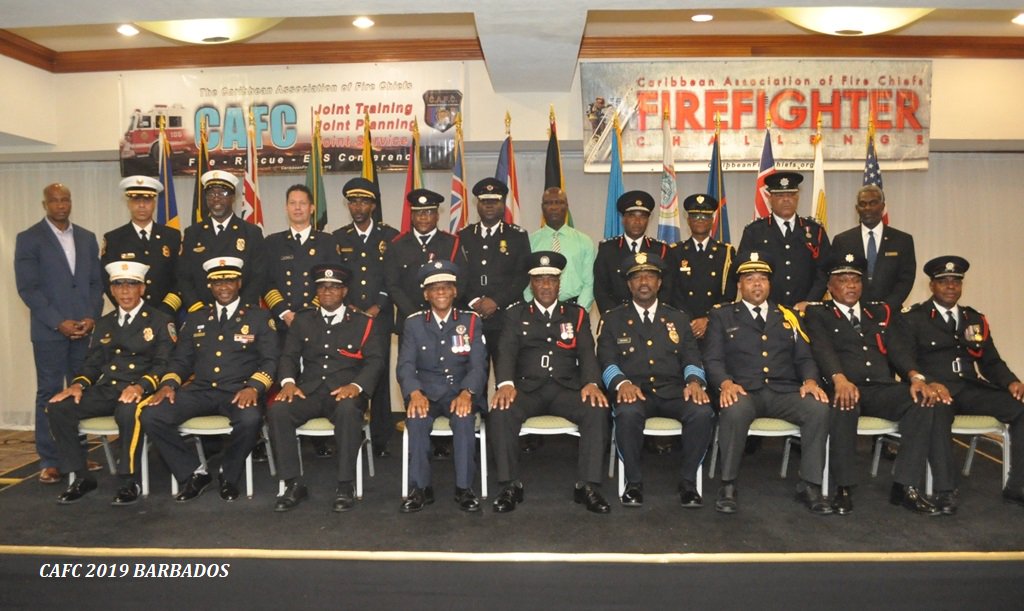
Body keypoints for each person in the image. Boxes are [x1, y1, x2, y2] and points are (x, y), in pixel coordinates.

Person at [803, 252, 942, 515]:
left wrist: (916, 377)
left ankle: (905, 485)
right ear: (830, 286)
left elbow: (898, 350)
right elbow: (822, 349)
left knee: (921, 400)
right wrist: (839, 378)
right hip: (844, 385)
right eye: (843, 280)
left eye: (855, 280)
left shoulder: (877, 312)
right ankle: (843, 487)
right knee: (844, 404)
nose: (851, 285)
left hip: (880, 387)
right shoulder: (818, 313)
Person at [703, 251, 831, 515]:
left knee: (818, 408)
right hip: (744, 391)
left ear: (770, 284)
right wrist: (725, 383)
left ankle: (810, 485)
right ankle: (728, 485)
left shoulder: (788, 316)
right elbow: (712, 359)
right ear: (740, 285)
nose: (757, 284)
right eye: (750, 279)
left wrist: (810, 380)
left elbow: (804, 357)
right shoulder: (722, 316)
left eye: (762, 278)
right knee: (734, 409)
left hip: (784, 391)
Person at [141, 257, 278, 502]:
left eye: (229, 281)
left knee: (250, 418)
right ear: (209, 286)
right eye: (217, 282)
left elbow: (270, 361)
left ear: (239, 283)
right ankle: (194, 473)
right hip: (200, 390)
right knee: (152, 414)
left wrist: (254, 387)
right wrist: (168, 385)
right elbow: (181, 361)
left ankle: (229, 474)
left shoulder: (258, 317)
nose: (223, 287)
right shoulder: (196, 318)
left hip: (238, 390)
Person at [489, 252, 611, 514]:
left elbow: (587, 352)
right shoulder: (515, 314)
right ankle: (510, 485)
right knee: (500, 411)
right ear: (531, 284)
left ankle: (587, 485)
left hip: (566, 388)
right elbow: (506, 351)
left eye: (551, 280)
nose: (545, 286)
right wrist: (505, 384)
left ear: (559, 283)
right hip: (527, 389)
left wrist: (591, 382)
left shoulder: (576, 315)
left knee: (597, 409)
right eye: (539, 280)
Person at [47, 261, 175, 505]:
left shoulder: (160, 320)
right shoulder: (104, 323)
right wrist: (78, 385)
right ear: (112, 291)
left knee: (128, 411)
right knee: (58, 407)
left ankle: (129, 480)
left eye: (131, 285)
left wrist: (141, 386)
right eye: (119, 285)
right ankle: (81, 476)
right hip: (110, 388)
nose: (125, 291)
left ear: (142, 289)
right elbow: (93, 364)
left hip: (142, 389)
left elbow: (164, 364)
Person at [903, 256, 1024, 512]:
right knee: (935, 410)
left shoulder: (973, 319)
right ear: (932, 286)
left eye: (956, 282)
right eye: (943, 281)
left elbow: (991, 362)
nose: (950, 286)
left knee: (1020, 408)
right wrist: (929, 382)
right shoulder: (915, 318)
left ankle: (1017, 486)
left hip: (970, 388)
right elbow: (906, 363)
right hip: (938, 390)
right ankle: (945, 490)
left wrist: (1012, 381)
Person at [597, 252, 714, 507]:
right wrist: (621, 384)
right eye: (637, 277)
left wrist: (695, 382)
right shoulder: (613, 319)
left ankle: (688, 482)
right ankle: (633, 483)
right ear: (629, 284)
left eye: (649, 276)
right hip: (634, 390)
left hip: (673, 390)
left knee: (702, 412)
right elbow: (606, 361)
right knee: (627, 413)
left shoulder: (678, 318)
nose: (643, 282)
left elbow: (692, 358)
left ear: (659, 283)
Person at [269, 263, 386, 513]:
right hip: (309, 391)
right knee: (278, 410)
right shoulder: (302, 320)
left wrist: (356, 385)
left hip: (346, 392)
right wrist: (288, 382)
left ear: (344, 291)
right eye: (322, 287)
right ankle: (292, 483)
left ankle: (345, 485)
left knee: (347, 410)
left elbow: (376, 361)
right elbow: (288, 356)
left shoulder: (363, 323)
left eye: (334, 287)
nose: (327, 292)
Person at [15, 182, 104, 484]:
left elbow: (95, 283)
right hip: (50, 332)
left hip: (83, 329)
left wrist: (91, 316)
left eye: (65, 200)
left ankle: (78, 455)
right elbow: (28, 289)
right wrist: (58, 322)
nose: (61, 205)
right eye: (54, 201)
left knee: (81, 392)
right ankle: (50, 460)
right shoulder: (29, 239)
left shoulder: (87, 238)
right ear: (45, 205)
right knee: (50, 393)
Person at [397, 261, 487, 513]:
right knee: (417, 419)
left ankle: (464, 488)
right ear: (426, 294)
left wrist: (467, 393)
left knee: (464, 419)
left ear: (455, 291)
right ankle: (420, 489)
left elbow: (479, 365)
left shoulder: (470, 321)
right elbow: (405, 365)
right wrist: (414, 393)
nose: (441, 292)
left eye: (446, 286)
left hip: (459, 391)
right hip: (425, 392)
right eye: (434, 287)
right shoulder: (414, 323)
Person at [334, 177, 400, 457]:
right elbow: (336, 278)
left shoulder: (390, 236)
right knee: (347, 371)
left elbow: (393, 277)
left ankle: (381, 438)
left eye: (363, 202)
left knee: (379, 374)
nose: (357, 207)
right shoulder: (339, 237)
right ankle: (349, 431)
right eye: (353, 202)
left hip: (379, 317)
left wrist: (377, 306)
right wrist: (348, 306)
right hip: (347, 317)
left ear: (373, 205)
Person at [457, 177, 531, 365]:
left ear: (503, 204)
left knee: (506, 374)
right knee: (473, 375)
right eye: (484, 201)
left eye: (495, 201)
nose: (489, 205)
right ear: (477, 204)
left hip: (506, 318)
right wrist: (473, 300)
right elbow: (459, 274)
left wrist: (496, 301)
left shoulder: (517, 236)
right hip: (471, 317)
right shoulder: (463, 236)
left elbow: (522, 276)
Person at [737, 172, 830, 310]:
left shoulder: (815, 230)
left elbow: (824, 270)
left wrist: (809, 302)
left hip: (806, 310)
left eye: (791, 195)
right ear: (770, 198)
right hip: (766, 310)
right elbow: (744, 272)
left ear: (797, 197)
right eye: (780, 195)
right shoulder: (754, 231)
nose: (786, 200)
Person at [176, 171, 266, 312]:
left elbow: (258, 277)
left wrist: (241, 308)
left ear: (233, 197)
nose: (216, 198)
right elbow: (183, 277)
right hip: (203, 312)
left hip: (242, 312)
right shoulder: (193, 233)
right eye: (211, 194)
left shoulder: (251, 232)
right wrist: (197, 308)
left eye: (222, 193)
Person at [384, 188, 469, 335]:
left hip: (446, 320)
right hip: (409, 321)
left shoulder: (452, 243)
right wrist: (415, 315)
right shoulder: (397, 245)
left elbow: (462, 281)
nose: (423, 217)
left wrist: (441, 310)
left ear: (437, 215)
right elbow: (393, 285)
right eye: (418, 213)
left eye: (429, 212)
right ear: (412, 216)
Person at [101, 176, 182, 314]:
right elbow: (107, 279)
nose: (142, 205)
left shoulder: (172, 237)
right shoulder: (114, 239)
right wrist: (129, 308)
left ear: (154, 203)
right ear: (128, 203)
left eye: (147, 200)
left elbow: (181, 277)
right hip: (129, 314)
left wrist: (166, 309)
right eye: (136, 200)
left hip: (166, 314)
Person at [665, 193, 737, 347]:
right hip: (684, 326)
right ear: (688, 220)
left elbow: (729, 293)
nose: (700, 220)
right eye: (695, 216)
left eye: (705, 216)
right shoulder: (675, 252)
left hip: (716, 326)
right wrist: (690, 320)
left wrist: (708, 319)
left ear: (712, 220)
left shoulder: (725, 252)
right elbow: (672, 291)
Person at [830, 185, 916, 308]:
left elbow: (906, 279)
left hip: (890, 312)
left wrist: (887, 307)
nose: (867, 208)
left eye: (873, 203)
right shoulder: (842, 240)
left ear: (882, 206)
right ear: (857, 209)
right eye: (863, 204)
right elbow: (834, 279)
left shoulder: (902, 240)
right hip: (853, 310)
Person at [593, 190, 669, 314]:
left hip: (653, 317)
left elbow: (667, 288)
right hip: (617, 317)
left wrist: (653, 315)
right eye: (632, 215)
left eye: (642, 216)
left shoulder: (661, 250)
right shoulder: (607, 249)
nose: (637, 221)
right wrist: (613, 317)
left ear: (648, 220)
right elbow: (601, 290)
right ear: (623, 219)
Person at [525, 187, 596, 311]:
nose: (554, 207)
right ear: (542, 207)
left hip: (575, 307)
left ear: (567, 206)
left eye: (559, 202)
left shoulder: (585, 242)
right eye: (548, 203)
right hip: (537, 310)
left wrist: (580, 312)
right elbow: (525, 282)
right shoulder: (529, 242)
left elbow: (590, 282)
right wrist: (532, 309)